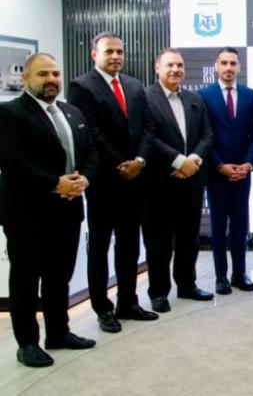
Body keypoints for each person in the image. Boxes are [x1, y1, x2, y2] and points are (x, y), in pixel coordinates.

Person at [0, 53, 98, 367]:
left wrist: (83, 179)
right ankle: (27, 343)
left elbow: (91, 152)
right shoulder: (10, 113)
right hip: (27, 215)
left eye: (55, 73)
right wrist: (55, 183)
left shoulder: (71, 112)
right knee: (26, 281)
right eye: (43, 74)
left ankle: (58, 332)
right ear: (25, 78)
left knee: (59, 277)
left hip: (68, 211)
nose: (51, 79)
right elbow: (12, 162)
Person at [67, 32, 158, 332]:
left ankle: (128, 302)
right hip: (105, 181)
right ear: (95, 54)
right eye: (109, 52)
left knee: (130, 245)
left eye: (119, 51)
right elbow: (91, 134)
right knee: (100, 247)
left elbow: (148, 128)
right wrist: (122, 164)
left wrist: (139, 161)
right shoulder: (81, 86)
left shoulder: (134, 85)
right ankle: (102, 308)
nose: (116, 56)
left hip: (135, 179)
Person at [144, 48, 215, 312]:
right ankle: (159, 292)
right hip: (159, 182)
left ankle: (187, 285)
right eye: (170, 65)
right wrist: (177, 161)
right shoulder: (145, 98)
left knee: (188, 238)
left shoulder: (194, 99)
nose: (175, 70)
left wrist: (193, 160)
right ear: (157, 68)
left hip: (191, 180)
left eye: (180, 65)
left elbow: (207, 134)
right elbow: (147, 137)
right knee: (158, 241)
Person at [199, 47, 253, 295]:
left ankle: (239, 274)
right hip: (217, 172)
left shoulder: (249, 95)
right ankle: (221, 277)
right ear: (216, 66)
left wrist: (248, 164)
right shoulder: (204, 95)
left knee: (240, 226)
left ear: (239, 67)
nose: (228, 68)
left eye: (233, 63)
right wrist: (219, 165)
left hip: (243, 172)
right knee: (218, 226)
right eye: (223, 63)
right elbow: (204, 135)